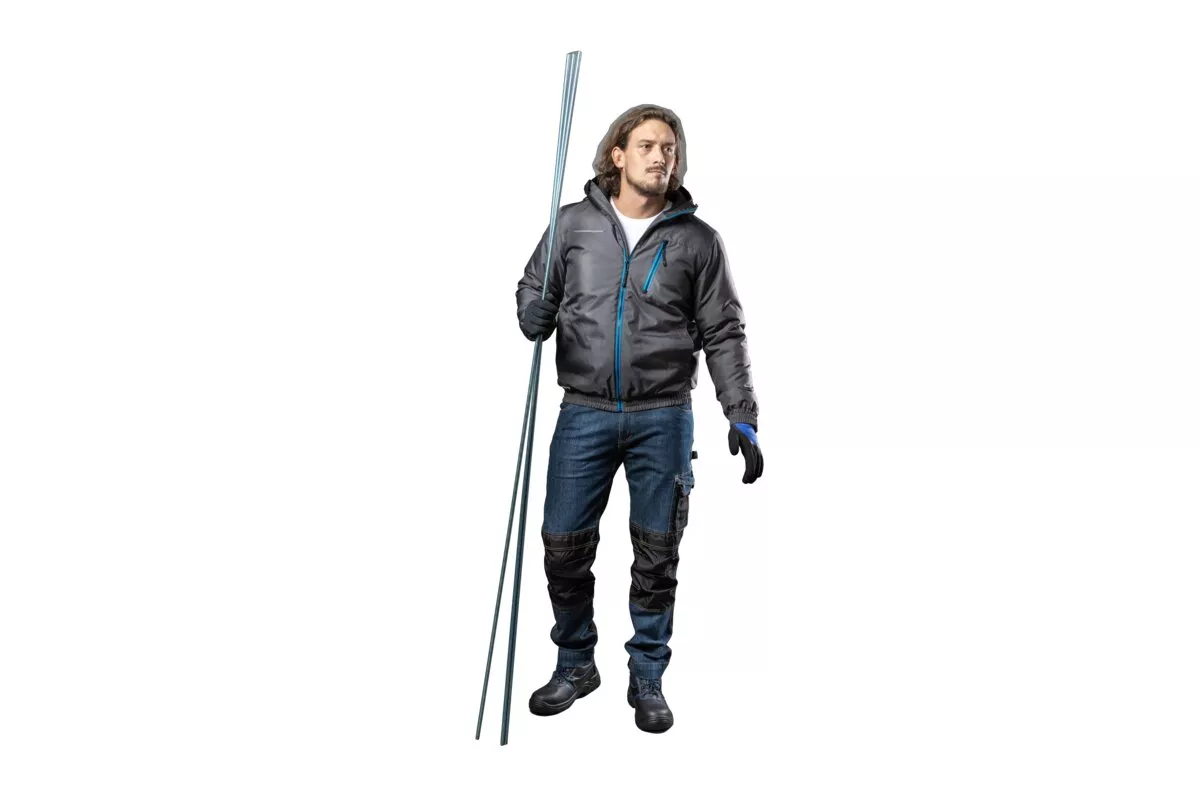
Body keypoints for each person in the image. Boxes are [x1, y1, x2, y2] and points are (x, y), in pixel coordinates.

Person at [515, 103, 763, 734]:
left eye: (670, 149)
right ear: (618, 154)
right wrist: (532, 312)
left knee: (657, 553)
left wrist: (740, 413)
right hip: (584, 411)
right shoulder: (573, 225)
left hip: (664, 415)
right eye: (648, 146)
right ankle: (575, 663)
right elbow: (532, 288)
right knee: (562, 545)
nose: (661, 157)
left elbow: (724, 330)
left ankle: (647, 674)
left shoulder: (698, 241)